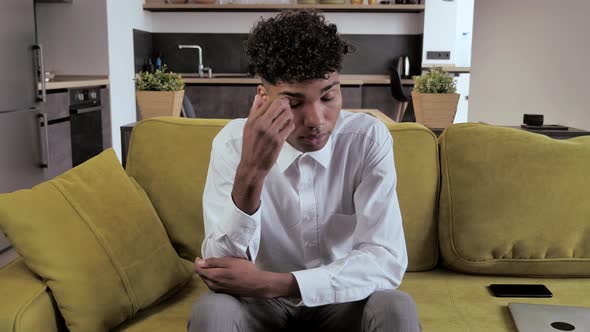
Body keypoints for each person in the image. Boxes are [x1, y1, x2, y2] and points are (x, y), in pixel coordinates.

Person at [188, 9, 420, 332]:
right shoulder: (231, 144)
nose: (316, 120)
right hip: (259, 307)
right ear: (263, 97)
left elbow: (385, 258)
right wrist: (252, 171)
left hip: (339, 300)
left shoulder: (367, 140)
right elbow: (220, 266)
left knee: (396, 307)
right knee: (211, 313)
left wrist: (279, 283)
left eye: (328, 96)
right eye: (294, 103)